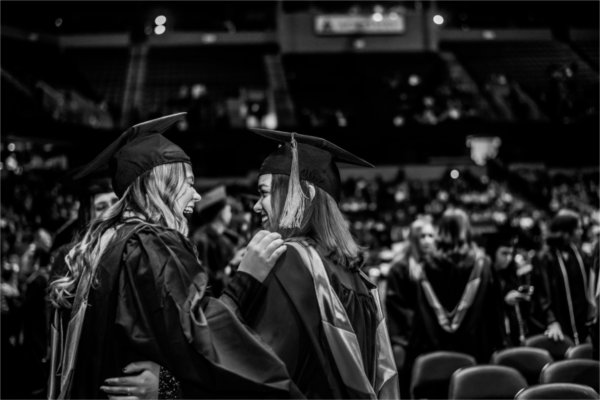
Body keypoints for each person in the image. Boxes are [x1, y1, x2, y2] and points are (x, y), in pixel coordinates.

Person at [109, 128, 399, 399]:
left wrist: (169, 387)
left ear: (302, 195)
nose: (256, 206)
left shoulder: (292, 262)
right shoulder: (360, 279)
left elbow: (255, 376)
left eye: (263, 193)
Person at [48, 113, 298, 399]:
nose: (196, 195)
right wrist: (247, 277)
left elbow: (143, 343)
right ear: (160, 183)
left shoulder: (103, 243)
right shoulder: (150, 244)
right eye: (188, 183)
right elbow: (200, 338)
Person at [389, 208, 504, 369]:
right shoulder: (483, 264)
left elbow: (420, 318)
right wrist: (500, 344)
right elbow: (495, 311)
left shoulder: (425, 267)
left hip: (435, 352)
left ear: (441, 231)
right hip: (477, 349)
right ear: (467, 230)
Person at [385, 216, 436, 398]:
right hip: (410, 338)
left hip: (434, 336)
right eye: (423, 236)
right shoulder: (400, 268)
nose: (428, 240)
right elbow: (397, 308)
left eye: (431, 235)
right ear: (414, 240)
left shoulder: (438, 266)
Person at [532, 209, 594, 345]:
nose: (581, 231)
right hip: (559, 326)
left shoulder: (578, 253)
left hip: (581, 323)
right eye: (577, 228)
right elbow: (542, 294)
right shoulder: (545, 257)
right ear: (566, 232)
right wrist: (551, 321)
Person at [191, 185, 240, 296]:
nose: (230, 213)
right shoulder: (201, 239)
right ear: (220, 212)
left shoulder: (226, 237)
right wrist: (230, 267)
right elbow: (204, 278)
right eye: (228, 209)